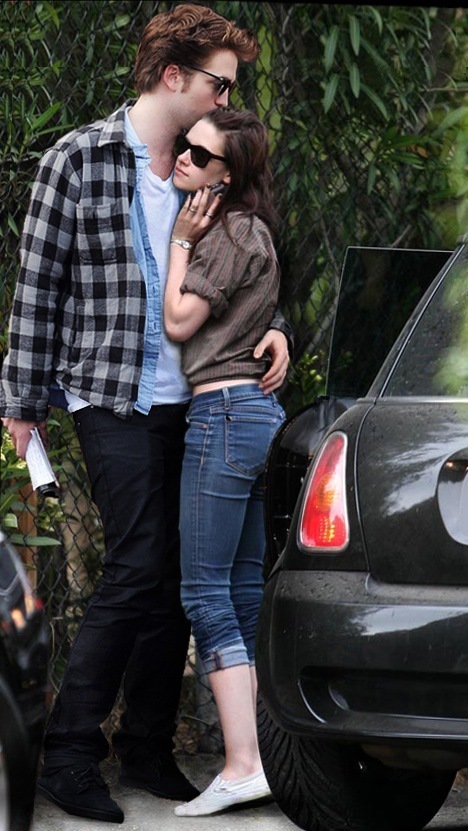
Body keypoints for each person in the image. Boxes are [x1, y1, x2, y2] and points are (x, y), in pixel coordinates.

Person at [0, 4, 292, 825]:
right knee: (136, 566)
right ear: (173, 75)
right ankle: (67, 754)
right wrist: (21, 404)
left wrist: (276, 326)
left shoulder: (214, 165)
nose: (227, 100)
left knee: (174, 576)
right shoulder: (78, 159)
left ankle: (149, 747)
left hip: (199, 404)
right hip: (113, 396)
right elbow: (38, 286)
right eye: (218, 84)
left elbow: (248, 266)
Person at [163, 106, 286, 817]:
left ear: (228, 175)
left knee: (205, 593)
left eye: (200, 155)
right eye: (184, 146)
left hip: (225, 414)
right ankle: (264, 760)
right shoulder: (252, 229)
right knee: (240, 592)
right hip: (252, 418)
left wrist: (181, 243)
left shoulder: (227, 232)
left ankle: (240, 763)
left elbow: (180, 320)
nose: (184, 157)